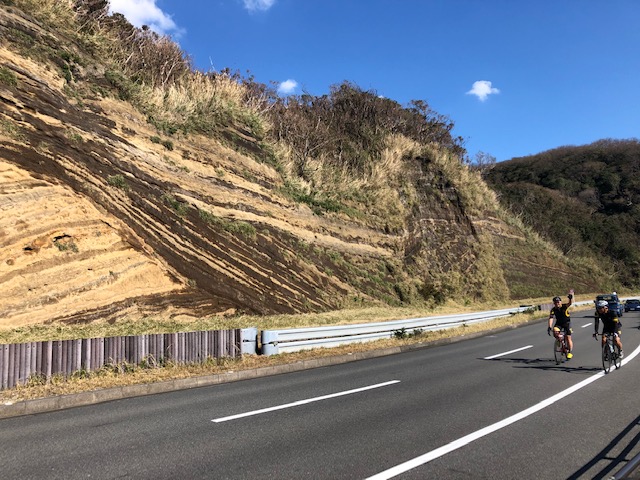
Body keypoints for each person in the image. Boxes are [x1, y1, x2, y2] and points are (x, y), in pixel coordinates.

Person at [548, 292, 574, 358]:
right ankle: (559, 341)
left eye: (558, 302)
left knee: (568, 338)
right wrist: (549, 327)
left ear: (560, 302)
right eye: (555, 302)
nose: (557, 303)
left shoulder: (564, 306)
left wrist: (570, 299)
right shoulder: (553, 310)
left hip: (567, 323)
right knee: (555, 331)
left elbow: (569, 303)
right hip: (559, 323)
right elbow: (551, 318)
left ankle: (569, 352)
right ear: (554, 303)